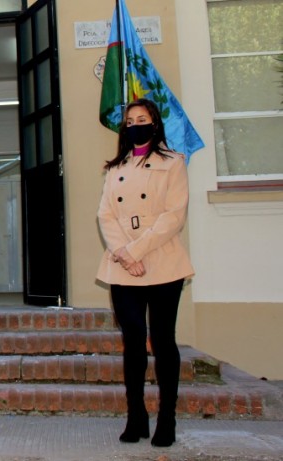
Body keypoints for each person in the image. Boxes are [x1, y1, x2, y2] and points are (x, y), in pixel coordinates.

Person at [96, 98, 194, 447]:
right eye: (130, 119)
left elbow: (174, 216)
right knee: (133, 341)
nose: (135, 123)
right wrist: (124, 254)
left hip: (163, 262)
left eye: (142, 118)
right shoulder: (114, 167)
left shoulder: (173, 163)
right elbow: (105, 215)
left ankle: (167, 418)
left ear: (154, 124)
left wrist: (136, 251)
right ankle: (136, 415)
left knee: (163, 340)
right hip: (124, 267)